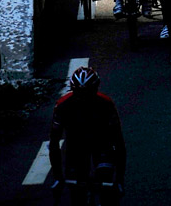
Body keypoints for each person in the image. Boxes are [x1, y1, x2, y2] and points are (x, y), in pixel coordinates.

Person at [49, 65, 126, 201]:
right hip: (76, 146)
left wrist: (119, 179)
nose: (84, 99)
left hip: (102, 143)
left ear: (95, 90)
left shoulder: (106, 104)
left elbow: (118, 141)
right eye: (80, 94)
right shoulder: (62, 106)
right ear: (73, 90)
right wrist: (58, 177)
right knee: (77, 189)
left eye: (88, 94)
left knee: (105, 180)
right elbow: (54, 143)